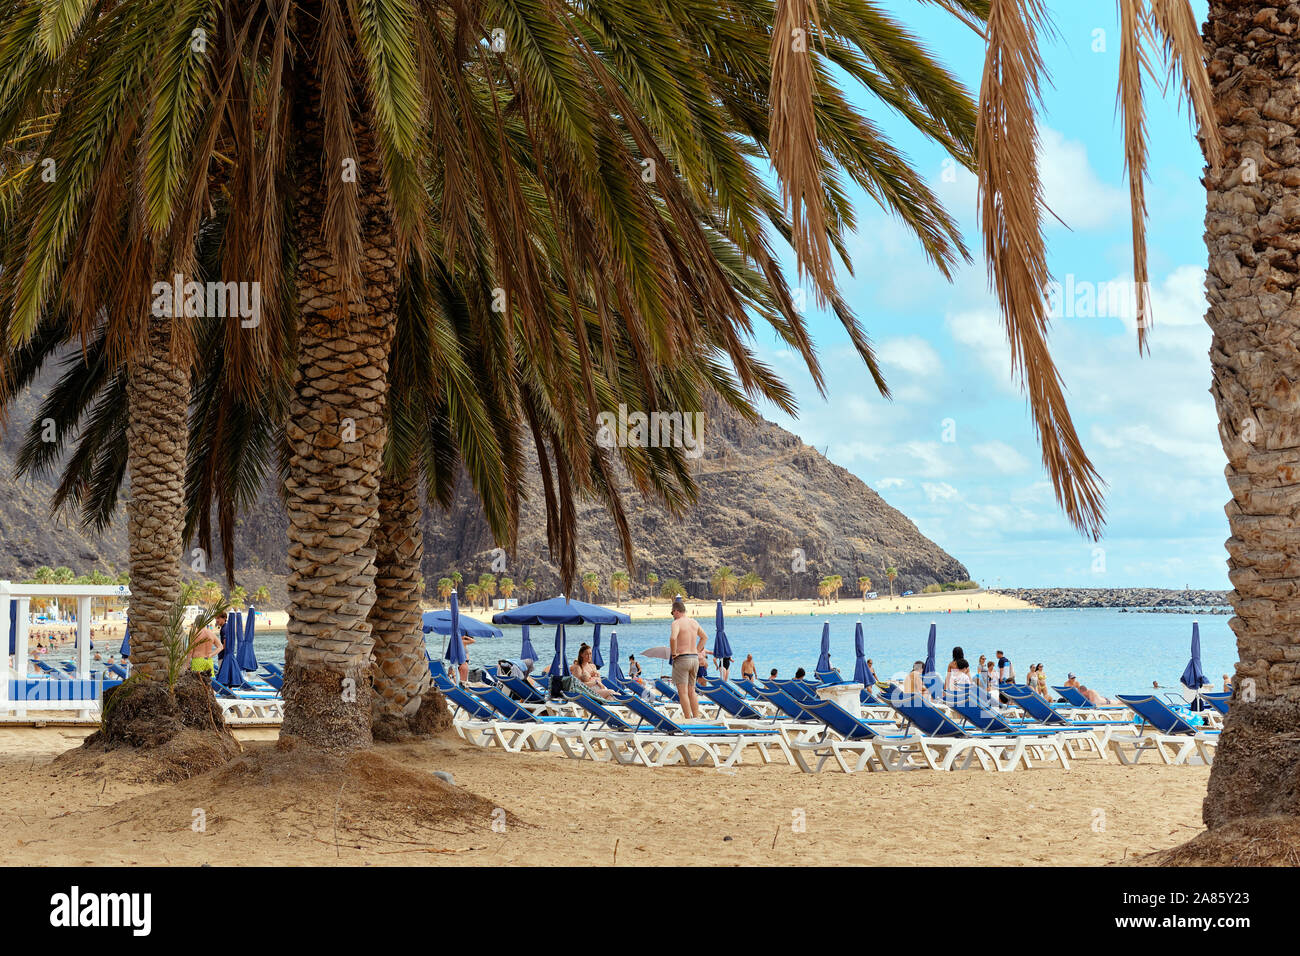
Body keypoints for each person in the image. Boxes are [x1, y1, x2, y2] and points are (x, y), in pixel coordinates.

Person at [669, 597, 708, 719]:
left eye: (672, 613)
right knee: (692, 691)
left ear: (676, 611)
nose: (672, 615)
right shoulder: (694, 622)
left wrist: (674, 652)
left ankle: (688, 718)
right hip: (694, 659)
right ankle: (696, 717)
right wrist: (697, 650)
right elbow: (704, 637)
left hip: (682, 659)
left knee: (683, 692)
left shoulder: (676, 623)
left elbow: (673, 638)